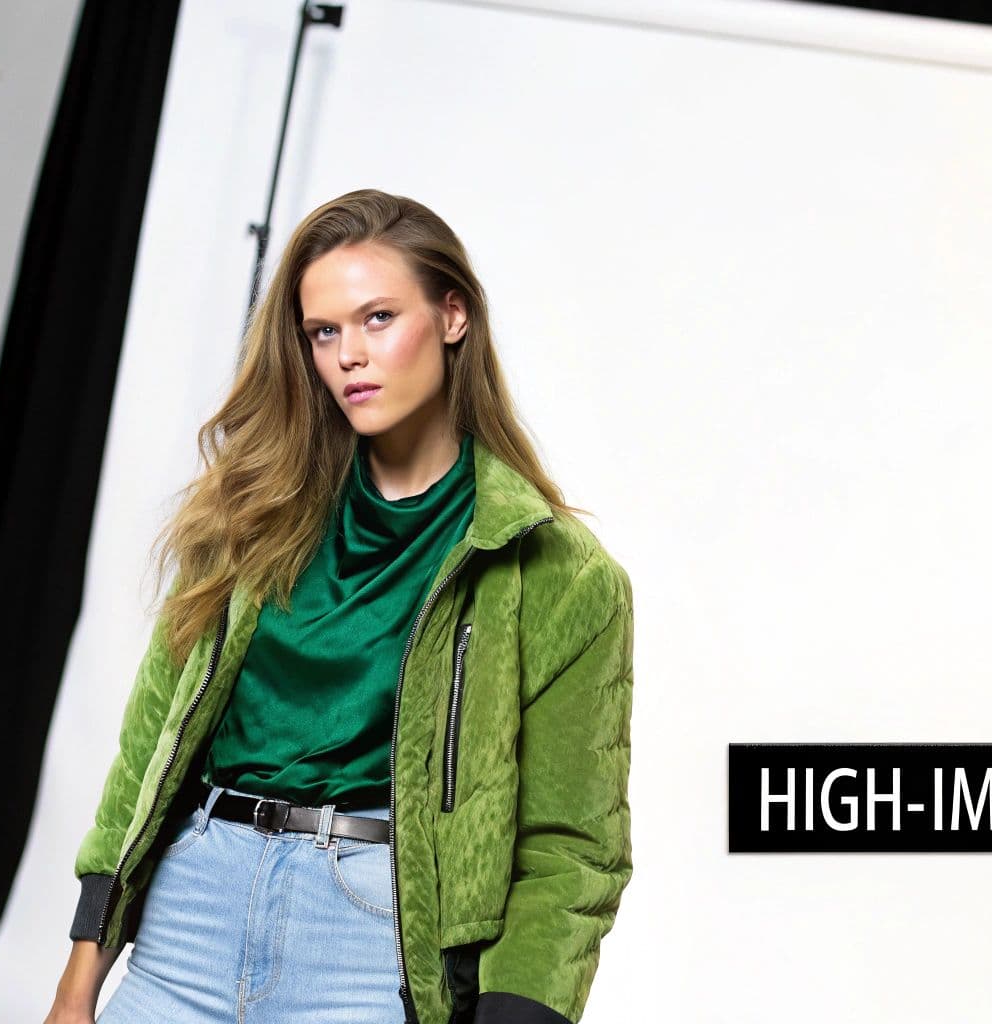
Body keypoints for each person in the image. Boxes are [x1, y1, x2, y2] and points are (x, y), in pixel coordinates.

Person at [43, 188, 635, 1024]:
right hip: (190, 914)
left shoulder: (554, 572)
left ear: (453, 316)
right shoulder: (248, 514)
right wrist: (78, 987)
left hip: (369, 941)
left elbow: (571, 851)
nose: (350, 354)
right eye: (325, 331)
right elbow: (148, 751)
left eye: (380, 317)